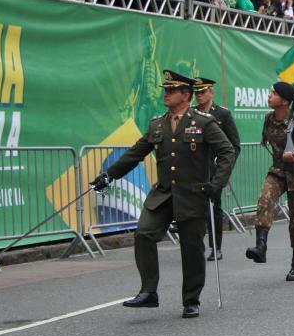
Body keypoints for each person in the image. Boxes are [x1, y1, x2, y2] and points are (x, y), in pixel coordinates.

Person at [91, 70, 236, 318]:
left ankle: (191, 299)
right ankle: (149, 291)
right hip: (164, 194)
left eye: (171, 91)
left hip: (192, 194)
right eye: (165, 90)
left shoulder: (203, 122)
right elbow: (136, 153)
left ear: (185, 95)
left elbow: (227, 152)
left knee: (191, 249)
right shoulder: (158, 124)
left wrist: (217, 183)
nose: (166, 95)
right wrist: (109, 175)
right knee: (144, 234)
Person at [246, 82, 294, 282]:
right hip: (278, 171)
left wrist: (293, 155)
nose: (269, 95)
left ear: (284, 101)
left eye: (274, 93)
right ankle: (261, 247)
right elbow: (267, 140)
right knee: (264, 201)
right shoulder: (269, 119)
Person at [192, 77, 240, 261]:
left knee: (213, 208)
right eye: (197, 92)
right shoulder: (191, 113)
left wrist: (224, 170)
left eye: (203, 92)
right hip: (195, 168)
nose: (199, 96)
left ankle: (216, 247)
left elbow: (234, 145)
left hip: (214, 170)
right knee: (194, 209)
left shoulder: (222, 114)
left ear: (211, 92)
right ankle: (195, 246)